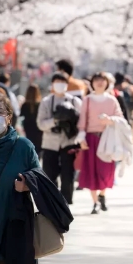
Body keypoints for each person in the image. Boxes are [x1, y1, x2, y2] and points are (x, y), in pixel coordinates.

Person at [0, 93, 40, 264]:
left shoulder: (24, 147)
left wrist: (26, 185)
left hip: (15, 224)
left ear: (9, 116)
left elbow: (41, 182)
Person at [75, 72, 123, 214]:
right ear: (92, 83)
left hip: (107, 138)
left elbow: (120, 118)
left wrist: (110, 120)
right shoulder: (87, 100)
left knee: (106, 170)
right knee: (91, 171)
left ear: (107, 83)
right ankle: (95, 202)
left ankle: (102, 195)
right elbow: (82, 120)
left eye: (103, 80)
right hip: (91, 139)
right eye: (96, 80)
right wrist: (81, 137)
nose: (100, 83)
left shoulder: (112, 100)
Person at [37, 72, 82, 205]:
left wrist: (71, 121)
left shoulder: (75, 101)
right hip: (50, 143)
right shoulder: (46, 102)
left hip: (69, 142)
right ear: (52, 84)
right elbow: (40, 123)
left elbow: (82, 122)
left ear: (67, 85)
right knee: (49, 175)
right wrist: (56, 120)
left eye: (63, 83)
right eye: (57, 82)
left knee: (68, 175)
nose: (60, 85)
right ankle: (52, 203)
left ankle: (66, 203)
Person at [20, 84, 43, 155]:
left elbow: (21, 116)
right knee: (38, 149)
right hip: (38, 129)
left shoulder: (24, 105)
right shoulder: (40, 104)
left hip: (28, 128)